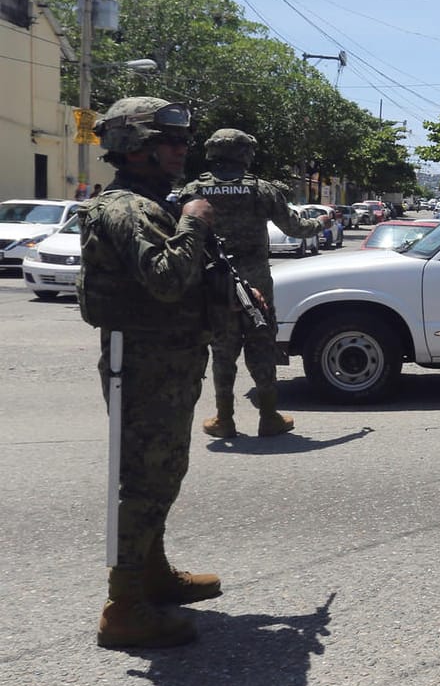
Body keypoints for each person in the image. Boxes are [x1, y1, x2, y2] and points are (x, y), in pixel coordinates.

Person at [78, 97, 230, 649]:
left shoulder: (152, 202)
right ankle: (124, 605)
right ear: (135, 148)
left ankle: (152, 574)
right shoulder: (126, 209)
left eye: (182, 140)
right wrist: (194, 225)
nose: (181, 150)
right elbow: (165, 278)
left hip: (167, 361)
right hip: (142, 365)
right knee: (142, 481)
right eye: (169, 141)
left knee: (163, 472)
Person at [178, 128, 321, 440]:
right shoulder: (261, 190)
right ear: (244, 154)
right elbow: (295, 228)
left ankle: (224, 419)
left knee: (222, 349)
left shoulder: (194, 190)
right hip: (256, 284)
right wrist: (321, 223)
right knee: (261, 346)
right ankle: (269, 417)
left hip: (215, 283)